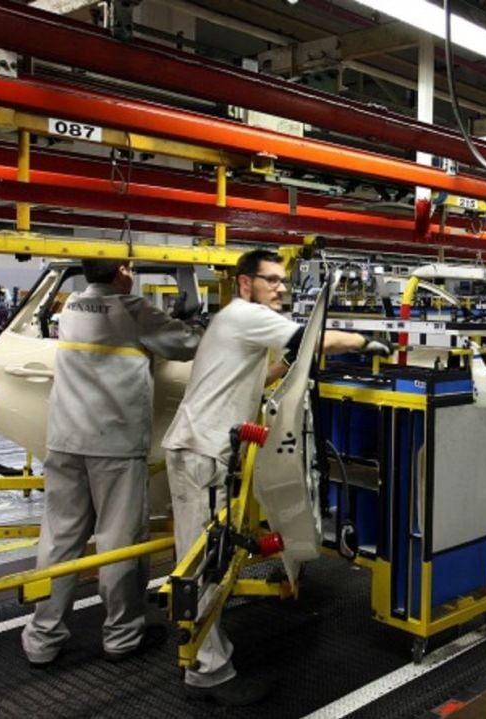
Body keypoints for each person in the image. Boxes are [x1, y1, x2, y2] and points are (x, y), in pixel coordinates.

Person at [161, 248, 391, 706]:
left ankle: (206, 657)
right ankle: (206, 671)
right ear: (245, 283)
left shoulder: (235, 320)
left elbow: (259, 372)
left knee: (212, 555)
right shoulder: (246, 314)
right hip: (202, 450)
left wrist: (290, 369)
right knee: (202, 562)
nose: (280, 288)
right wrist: (365, 342)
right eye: (271, 280)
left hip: (205, 448)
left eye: (283, 281)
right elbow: (314, 338)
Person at [22, 259, 204, 668]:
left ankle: (42, 638)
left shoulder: (70, 307)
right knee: (120, 542)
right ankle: (122, 636)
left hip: (65, 441)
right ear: (122, 271)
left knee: (59, 540)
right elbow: (186, 345)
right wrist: (199, 326)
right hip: (114, 445)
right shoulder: (134, 310)